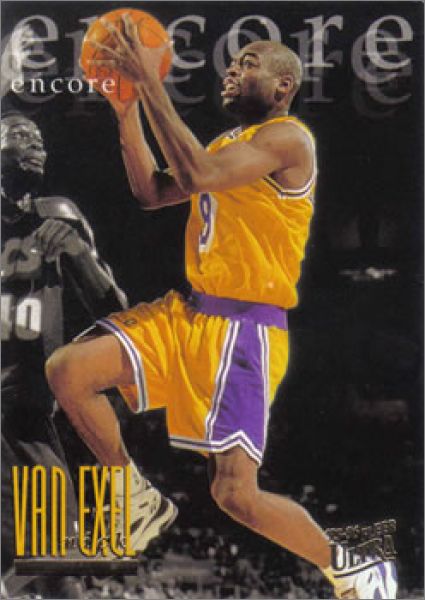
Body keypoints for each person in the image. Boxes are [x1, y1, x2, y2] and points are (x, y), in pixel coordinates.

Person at [46, 14, 398, 600]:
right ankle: (135, 497)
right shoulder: (224, 143)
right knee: (69, 370)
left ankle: (351, 565)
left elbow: (198, 173)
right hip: (189, 315)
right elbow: (152, 192)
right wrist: (127, 111)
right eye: (231, 65)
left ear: (284, 85)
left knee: (234, 495)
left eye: (247, 63)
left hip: (244, 329)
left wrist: (149, 81)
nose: (232, 71)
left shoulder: (289, 139)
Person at [1, 112, 133, 598]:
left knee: (62, 573)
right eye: (20, 136)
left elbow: (116, 314)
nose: (36, 145)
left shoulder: (59, 215)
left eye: (39, 138)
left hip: (28, 419)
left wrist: (77, 251)